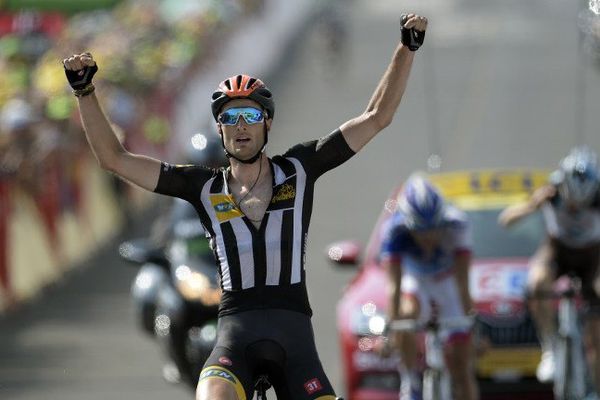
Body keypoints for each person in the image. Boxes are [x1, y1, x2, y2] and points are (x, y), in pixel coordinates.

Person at [62, 13, 427, 400]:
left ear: (266, 123)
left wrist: (407, 47)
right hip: (235, 338)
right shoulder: (200, 186)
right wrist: (85, 93)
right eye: (229, 118)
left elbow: (377, 117)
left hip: (296, 344)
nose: (240, 126)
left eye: (250, 116)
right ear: (219, 129)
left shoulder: (301, 167)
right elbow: (114, 159)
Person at [498, 146, 600, 391]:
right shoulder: (550, 191)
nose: (575, 209)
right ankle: (550, 345)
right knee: (536, 282)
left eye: (581, 204)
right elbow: (506, 220)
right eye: (571, 203)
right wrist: (532, 204)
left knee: (596, 337)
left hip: (592, 256)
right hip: (558, 251)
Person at [379, 174, 478, 400]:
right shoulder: (394, 230)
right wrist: (392, 333)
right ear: (408, 224)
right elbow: (393, 287)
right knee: (405, 315)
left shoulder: (457, 224)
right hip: (417, 282)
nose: (429, 237)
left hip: (448, 283)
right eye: (421, 232)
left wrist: (473, 325)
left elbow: (463, 282)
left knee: (462, 367)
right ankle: (410, 378)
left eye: (434, 229)